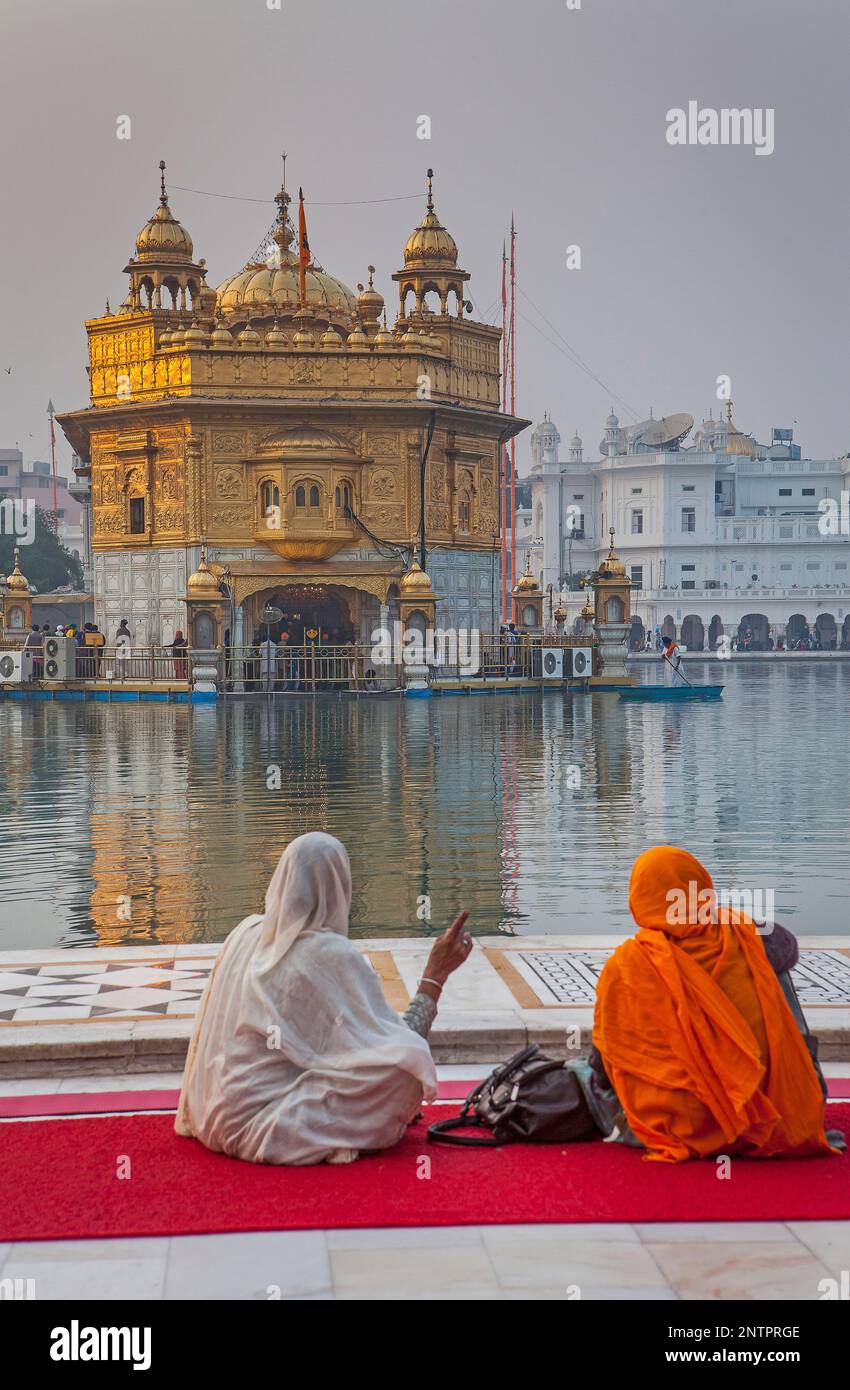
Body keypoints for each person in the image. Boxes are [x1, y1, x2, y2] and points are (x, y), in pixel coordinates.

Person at [176, 832, 473, 1165]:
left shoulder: (245, 933)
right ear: (339, 885)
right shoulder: (327, 954)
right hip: (263, 1127)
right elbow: (402, 1045)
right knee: (406, 1073)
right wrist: (435, 976)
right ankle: (362, 1126)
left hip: (213, 1113)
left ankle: (358, 1122)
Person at [589, 846, 843, 1163]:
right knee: (768, 976)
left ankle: (703, 1125)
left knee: (586, 1079)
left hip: (682, 1124)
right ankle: (794, 1096)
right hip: (768, 1113)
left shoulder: (628, 965)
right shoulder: (746, 935)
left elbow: (602, 1064)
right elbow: (787, 950)